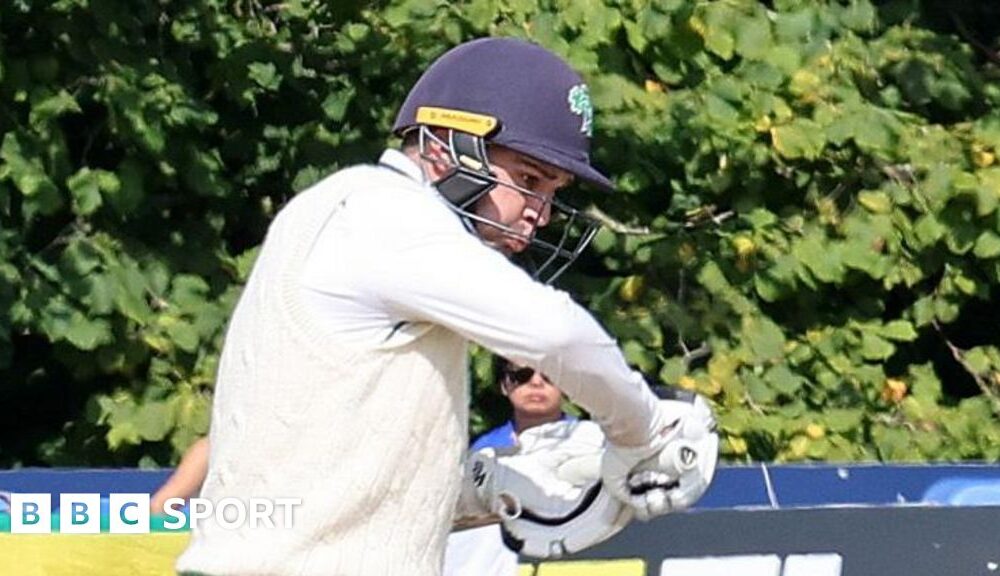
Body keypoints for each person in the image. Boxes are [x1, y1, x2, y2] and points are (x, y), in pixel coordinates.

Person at [175, 36, 698, 576]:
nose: (540, 214)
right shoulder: (387, 216)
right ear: (450, 147)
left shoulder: (335, 207)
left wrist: (472, 490)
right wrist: (646, 430)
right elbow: (557, 335)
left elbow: (314, 474)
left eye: (553, 190)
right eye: (529, 180)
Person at [442, 358, 576, 576]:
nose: (536, 383)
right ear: (505, 385)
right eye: (522, 376)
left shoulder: (592, 443)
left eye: (549, 376)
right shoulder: (484, 451)